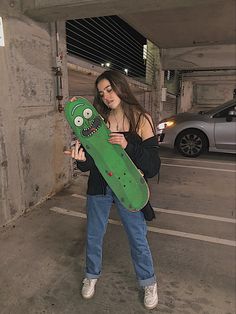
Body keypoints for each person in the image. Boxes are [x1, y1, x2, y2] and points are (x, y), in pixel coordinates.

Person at [65, 70, 161, 310]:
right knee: (94, 235)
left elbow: (153, 165)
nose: (106, 96)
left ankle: (148, 282)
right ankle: (91, 275)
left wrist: (128, 145)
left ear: (121, 87)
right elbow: (90, 161)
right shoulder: (98, 121)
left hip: (128, 189)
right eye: (101, 93)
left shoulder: (142, 119)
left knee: (137, 237)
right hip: (99, 187)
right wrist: (79, 158)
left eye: (109, 89)